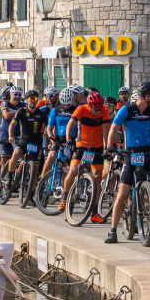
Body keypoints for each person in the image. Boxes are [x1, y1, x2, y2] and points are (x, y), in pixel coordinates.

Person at [105, 81, 150, 243]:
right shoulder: (127, 110)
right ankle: (113, 231)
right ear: (146, 97)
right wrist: (109, 147)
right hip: (130, 154)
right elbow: (114, 128)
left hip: (147, 153)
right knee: (122, 194)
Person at [60, 88, 112, 221]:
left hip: (97, 147)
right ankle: (64, 199)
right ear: (89, 105)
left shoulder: (104, 110)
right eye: (95, 109)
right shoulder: (81, 109)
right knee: (72, 171)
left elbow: (106, 132)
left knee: (97, 179)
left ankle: (94, 213)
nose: (97, 111)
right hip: (81, 146)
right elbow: (70, 124)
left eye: (99, 109)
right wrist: (68, 141)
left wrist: (107, 149)